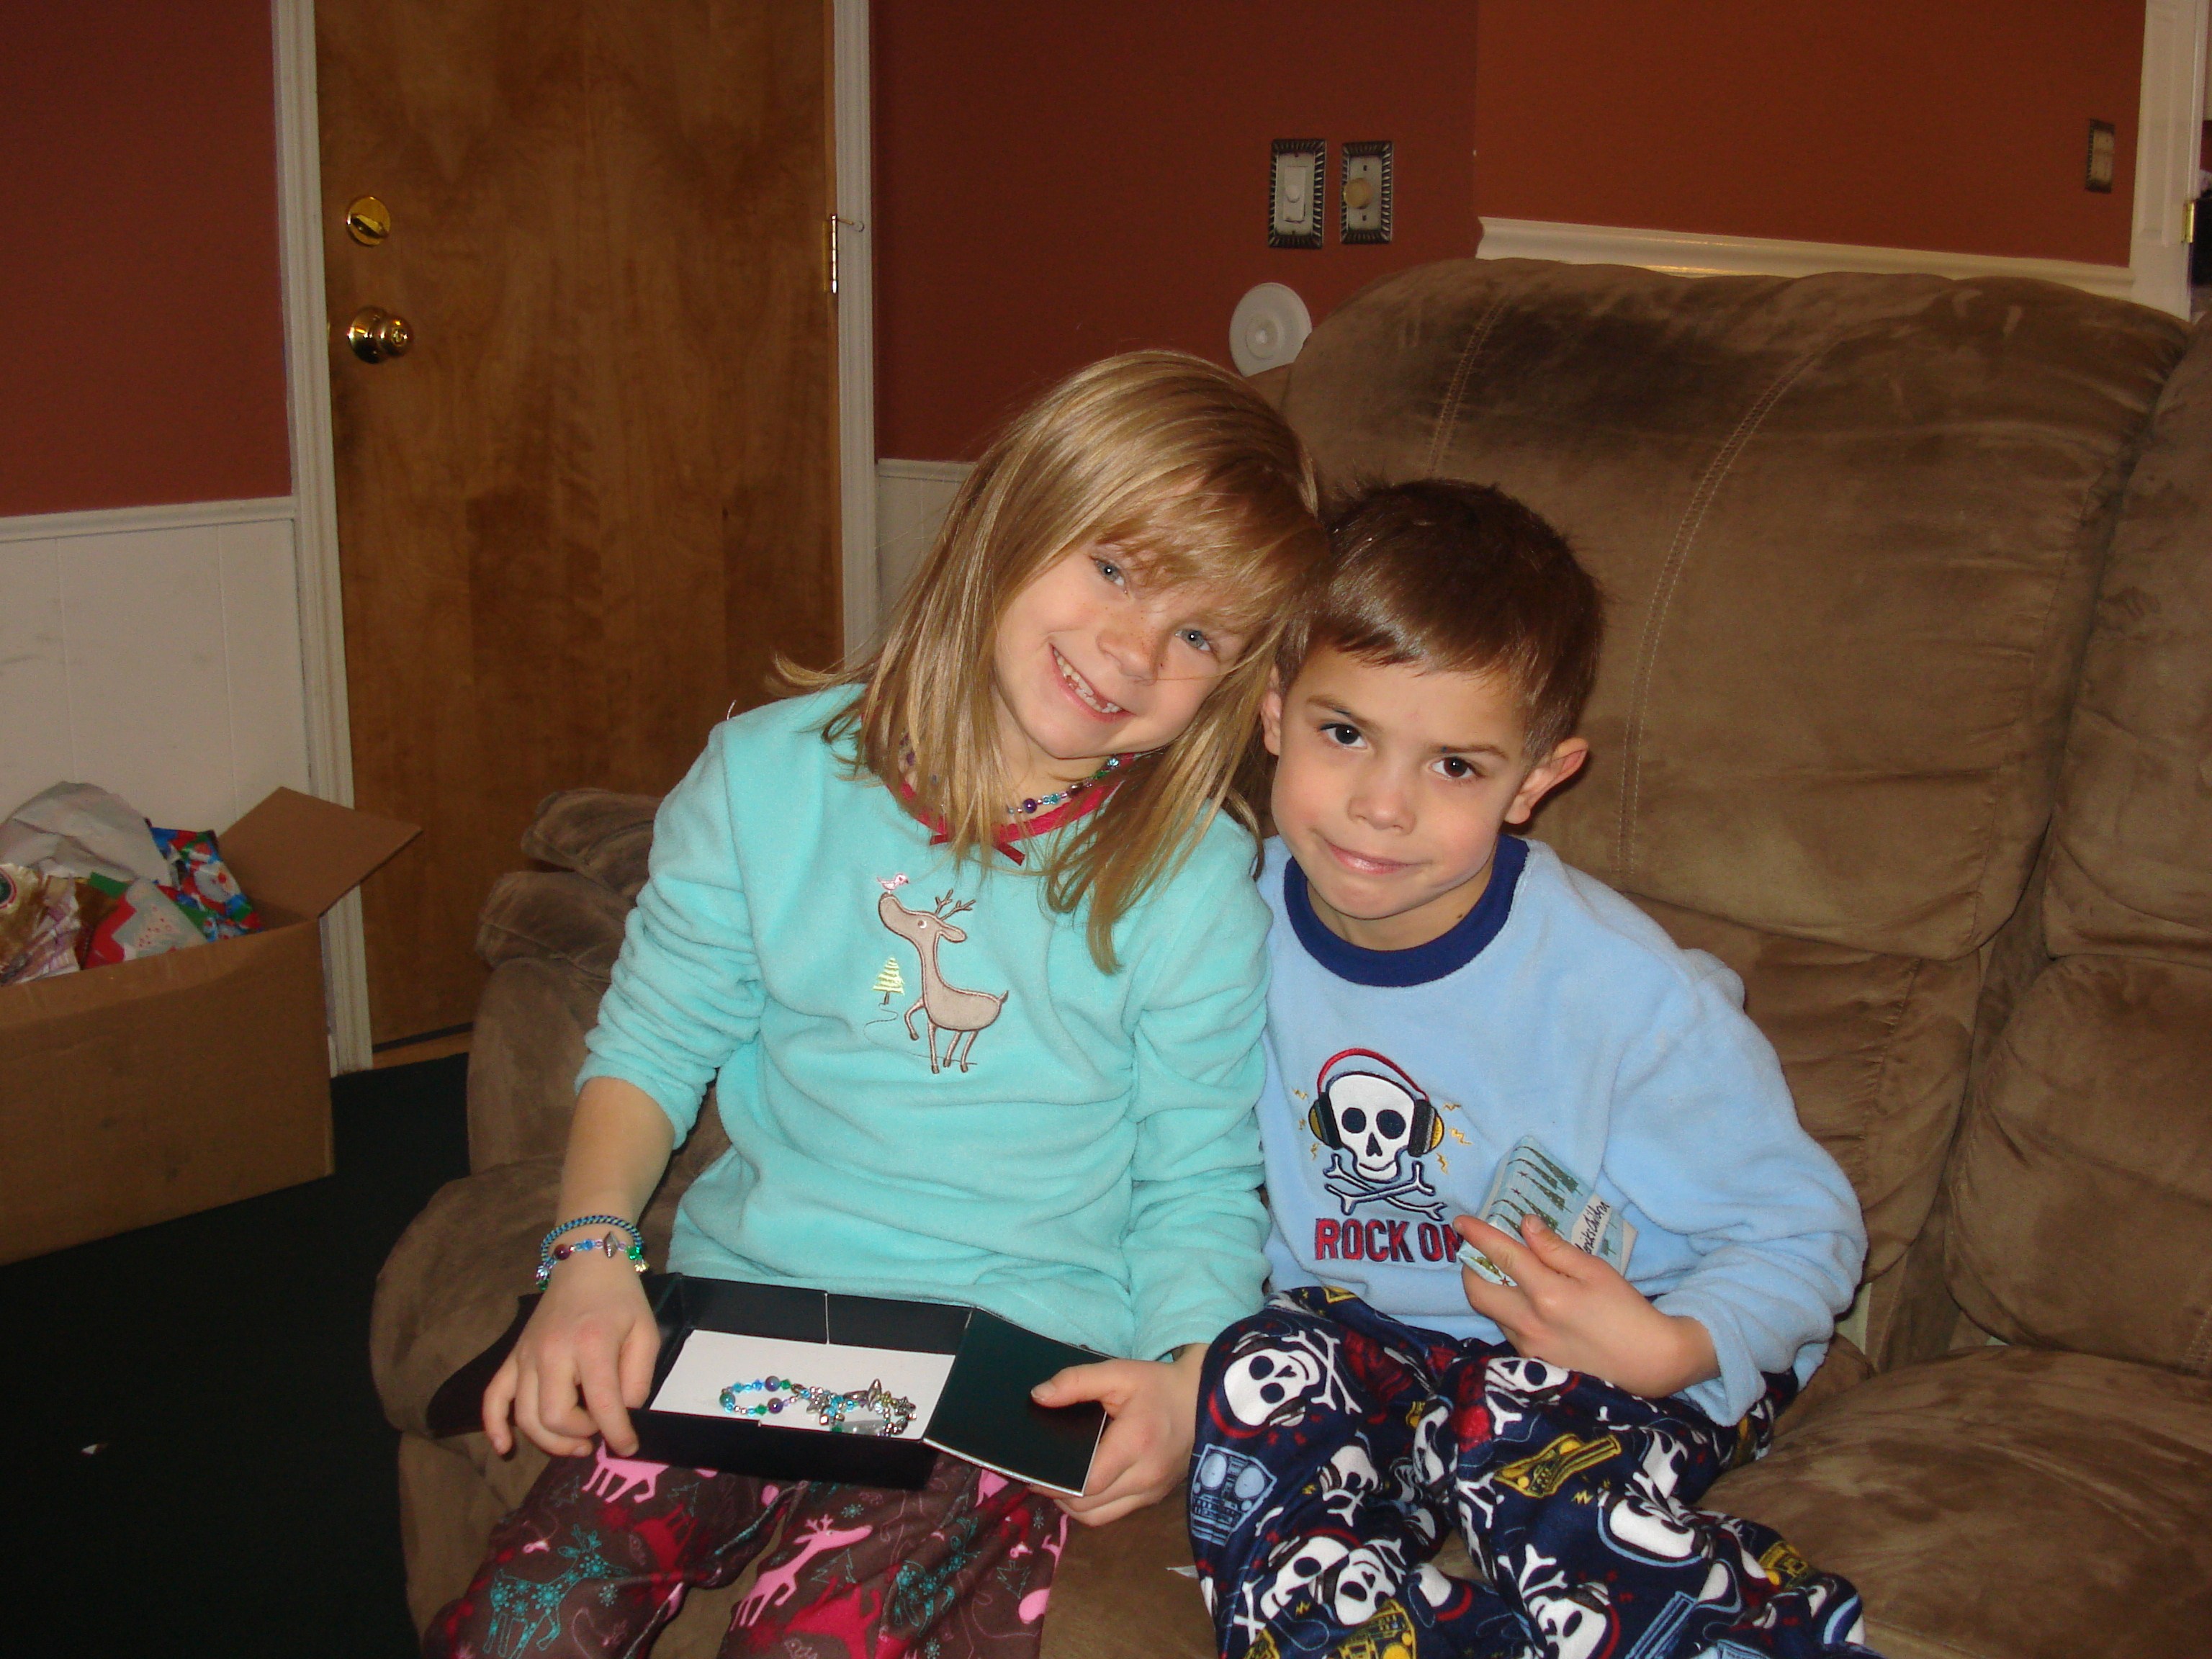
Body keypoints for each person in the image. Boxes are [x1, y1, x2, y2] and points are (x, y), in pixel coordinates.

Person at [427, 351, 1328, 1659]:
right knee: (529, 1620)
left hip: (1008, 1367)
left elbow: (1197, 1173)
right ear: (1009, 514)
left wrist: (1190, 1377)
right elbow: (655, 1037)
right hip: (748, 1314)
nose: (1134, 652)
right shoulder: (762, 777)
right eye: (1115, 568)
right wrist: (591, 1255)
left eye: (1200, 638)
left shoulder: (1195, 883)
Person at [1188, 480, 1877, 1659]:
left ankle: (1755, 1636)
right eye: (1344, 734)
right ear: (1273, 714)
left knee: (1520, 1429)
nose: (1381, 806)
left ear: (1538, 780)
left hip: (1615, 1345)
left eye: (1456, 766)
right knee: (1253, 1373)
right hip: (1382, 1349)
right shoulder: (1217, 926)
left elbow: (1807, 1231)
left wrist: (1674, 1347)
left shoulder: (1624, 996)